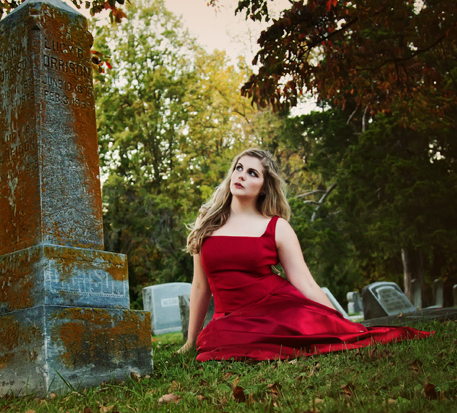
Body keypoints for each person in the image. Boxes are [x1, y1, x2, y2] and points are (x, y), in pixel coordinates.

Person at [178, 148, 433, 361]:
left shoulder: (276, 226)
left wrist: (340, 321)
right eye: (239, 168)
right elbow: (201, 285)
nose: (241, 175)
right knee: (208, 343)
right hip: (229, 318)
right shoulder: (208, 221)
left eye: (252, 172)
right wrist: (190, 341)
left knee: (225, 345)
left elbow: (306, 283)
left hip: (275, 310)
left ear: (264, 187)